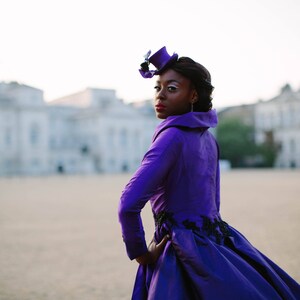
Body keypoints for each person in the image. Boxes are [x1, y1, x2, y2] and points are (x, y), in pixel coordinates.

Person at [118, 46, 300, 299]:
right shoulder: (208, 138)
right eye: (157, 87)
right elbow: (213, 202)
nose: (160, 96)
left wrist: (141, 253)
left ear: (193, 95)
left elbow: (128, 203)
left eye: (172, 88)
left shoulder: (170, 137)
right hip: (220, 243)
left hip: (180, 254)